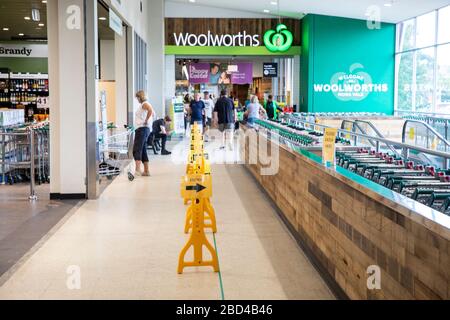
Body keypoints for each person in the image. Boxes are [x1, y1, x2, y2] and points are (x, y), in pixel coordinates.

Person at [133, 90, 154, 177]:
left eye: (137, 97)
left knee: (137, 149)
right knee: (143, 150)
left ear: (140, 97)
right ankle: (146, 171)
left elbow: (150, 110)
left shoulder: (144, 104)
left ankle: (137, 170)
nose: (137, 99)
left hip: (142, 129)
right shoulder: (145, 104)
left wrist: (146, 120)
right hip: (144, 129)